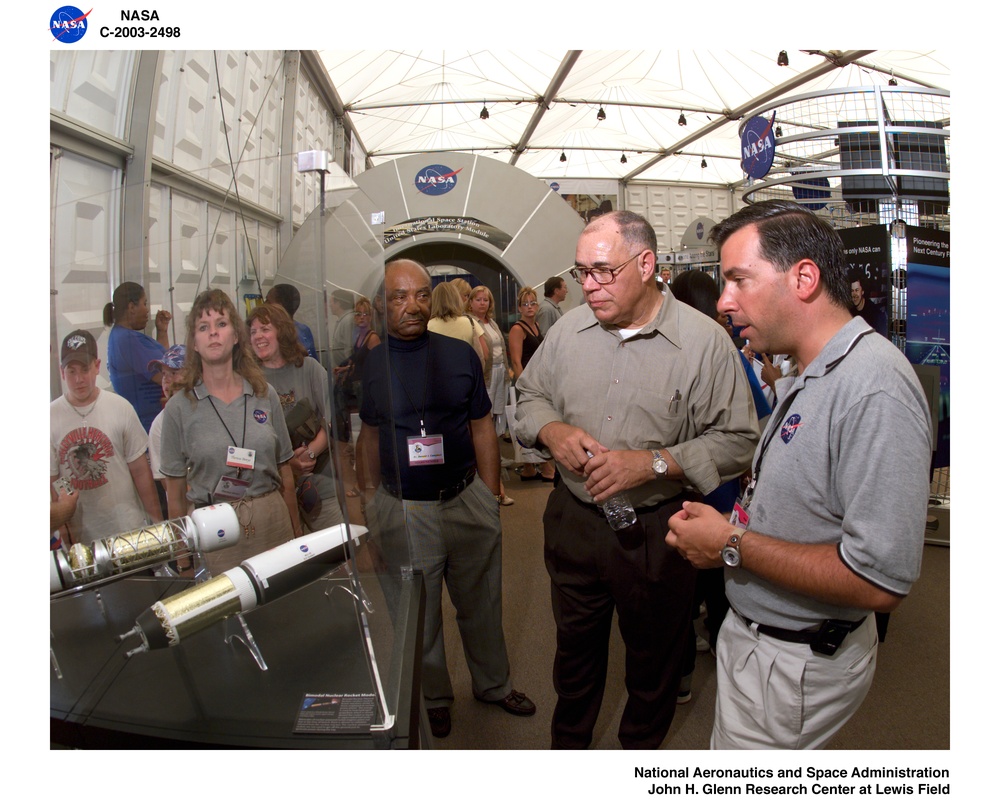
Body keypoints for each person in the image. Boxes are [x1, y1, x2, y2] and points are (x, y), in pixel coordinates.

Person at [666, 200, 933, 750]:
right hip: (767, 646)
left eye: (739, 280)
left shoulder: (873, 387)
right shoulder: (818, 369)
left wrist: (730, 543)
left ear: (804, 278)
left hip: (793, 663)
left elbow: (879, 580)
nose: (724, 300)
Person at [513, 210, 759, 750]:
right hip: (573, 523)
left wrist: (650, 463)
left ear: (647, 264)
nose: (590, 287)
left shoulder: (703, 344)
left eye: (603, 271)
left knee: (654, 668)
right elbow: (527, 398)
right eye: (582, 273)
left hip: (657, 533)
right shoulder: (568, 333)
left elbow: (740, 441)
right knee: (573, 657)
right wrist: (551, 430)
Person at [357, 258, 536, 739]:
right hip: (405, 508)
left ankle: (493, 685)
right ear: (383, 305)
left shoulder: (459, 355)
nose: (411, 305)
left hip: (465, 497)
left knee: (482, 601)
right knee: (421, 612)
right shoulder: (372, 364)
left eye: (419, 294)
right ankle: (435, 695)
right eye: (399, 297)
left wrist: (491, 492)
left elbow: (482, 425)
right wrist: (370, 503)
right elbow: (368, 439)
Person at [668, 269, 772, 699]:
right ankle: (717, 644)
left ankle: (684, 673)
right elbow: (762, 418)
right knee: (719, 575)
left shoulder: (684, 350)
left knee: (681, 586)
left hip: (684, 486)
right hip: (724, 488)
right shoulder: (728, 350)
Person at [159, 289, 302, 574]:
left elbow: (285, 469)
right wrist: (182, 558)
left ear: (236, 336)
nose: (213, 333)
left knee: (282, 610)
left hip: (271, 521)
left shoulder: (264, 394)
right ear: (195, 343)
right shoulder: (179, 408)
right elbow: (174, 495)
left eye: (221, 324)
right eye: (203, 327)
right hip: (216, 532)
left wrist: (297, 537)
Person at [51, 329, 163, 545]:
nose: (78, 379)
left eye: (84, 369)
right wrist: (64, 531)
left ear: (97, 366)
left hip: (128, 533)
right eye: (71, 371)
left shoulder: (120, 407)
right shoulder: (49, 418)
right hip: (82, 539)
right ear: (62, 373)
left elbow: (141, 473)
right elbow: (52, 480)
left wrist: (156, 524)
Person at [248, 302, 344, 533]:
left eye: (265, 329)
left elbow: (331, 421)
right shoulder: (249, 380)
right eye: (253, 331)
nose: (258, 336)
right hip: (274, 488)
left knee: (338, 549)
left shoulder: (309, 369)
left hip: (319, 479)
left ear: (282, 330)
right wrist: (290, 462)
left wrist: (310, 453)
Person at [104, 281, 172, 432]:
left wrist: (162, 332)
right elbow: (167, 377)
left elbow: (165, 364)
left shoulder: (120, 335)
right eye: (144, 303)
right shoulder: (129, 341)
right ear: (131, 307)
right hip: (148, 424)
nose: (147, 310)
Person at [468, 284, 514, 505]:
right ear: (470, 302)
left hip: (499, 373)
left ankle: (495, 453)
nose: (482, 303)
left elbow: (501, 349)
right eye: (478, 299)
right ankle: (486, 460)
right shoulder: (471, 323)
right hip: (485, 376)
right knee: (484, 417)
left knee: (497, 415)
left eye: (485, 300)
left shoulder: (492, 322)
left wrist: (507, 371)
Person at [508, 286, 555, 482]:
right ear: (519, 308)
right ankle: (545, 467)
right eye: (525, 304)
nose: (530, 307)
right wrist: (523, 387)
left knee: (530, 422)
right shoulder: (517, 329)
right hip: (526, 384)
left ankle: (529, 468)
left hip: (537, 381)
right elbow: (516, 361)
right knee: (530, 422)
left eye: (533, 303)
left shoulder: (535, 326)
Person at [147, 344, 187, 516]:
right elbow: (169, 485)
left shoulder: (212, 410)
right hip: (187, 517)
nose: (167, 381)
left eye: (173, 372)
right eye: (164, 374)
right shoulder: (159, 426)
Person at [428, 280, 490, 376]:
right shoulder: (470, 322)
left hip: (438, 378)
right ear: (456, 299)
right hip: (465, 376)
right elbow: (485, 354)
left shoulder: (427, 326)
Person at [267, 282, 318, 360]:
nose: (264, 305)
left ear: (279, 306)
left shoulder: (278, 333)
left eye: (268, 301)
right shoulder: (304, 329)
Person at [849, 271, 888, 336]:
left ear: (863, 291)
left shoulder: (875, 314)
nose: (854, 294)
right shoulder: (850, 312)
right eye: (852, 291)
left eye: (857, 290)